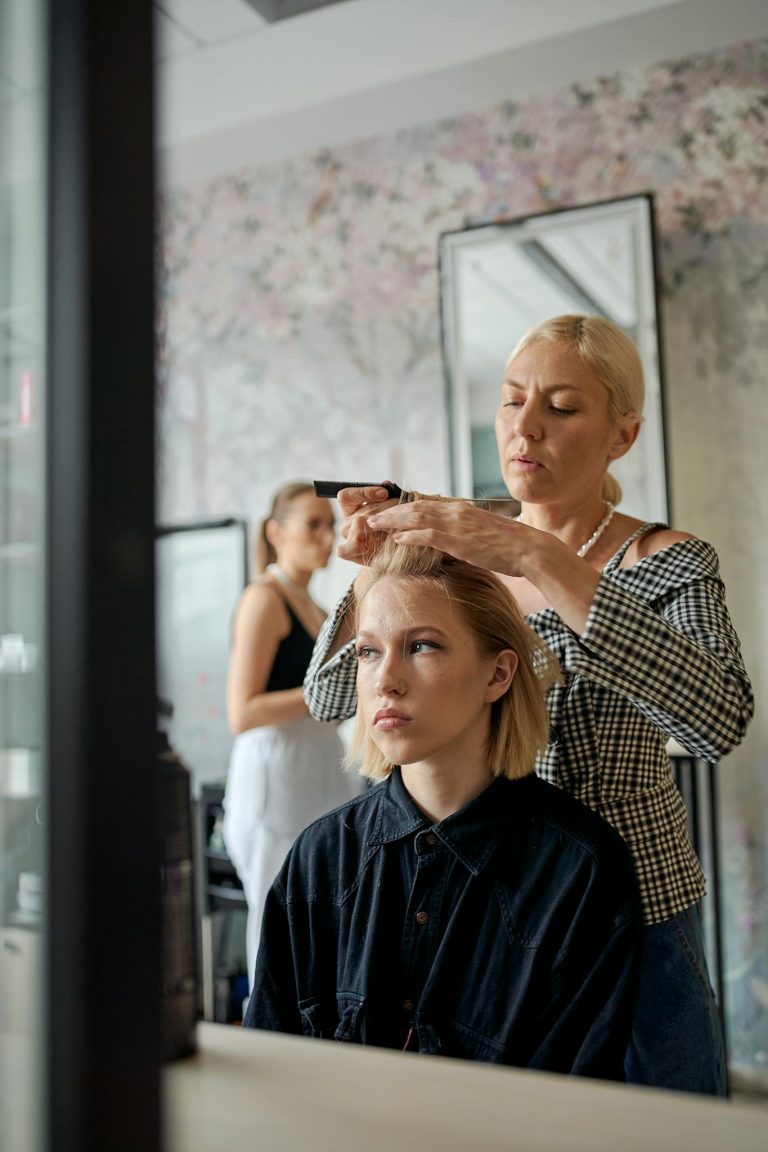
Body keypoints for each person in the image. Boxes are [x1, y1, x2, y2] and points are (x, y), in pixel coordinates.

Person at [303, 314, 754, 1095]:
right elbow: (330, 695)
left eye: (562, 407)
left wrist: (539, 557)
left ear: (622, 433)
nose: (526, 427)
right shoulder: (464, 561)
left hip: (634, 908)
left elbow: (716, 721)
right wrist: (374, 574)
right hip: (492, 906)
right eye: (512, 402)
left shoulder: (668, 561)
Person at [245, 537, 642, 1079]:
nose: (385, 681)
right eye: (368, 651)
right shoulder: (320, 857)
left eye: (422, 645)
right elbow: (272, 1069)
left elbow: (572, 1106)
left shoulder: (580, 871)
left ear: (497, 675)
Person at [222, 481, 361, 988]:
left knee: (321, 910)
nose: (327, 536)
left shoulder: (318, 608)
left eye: (331, 525)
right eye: (314, 525)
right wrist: (324, 694)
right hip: (276, 772)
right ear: (275, 531)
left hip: (318, 768)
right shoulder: (264, 598)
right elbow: (242, 711)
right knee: (276, 911)